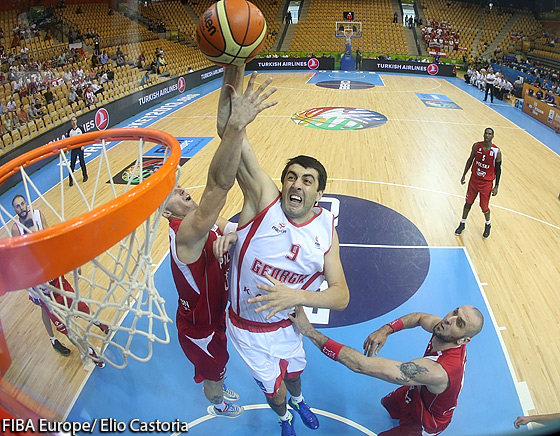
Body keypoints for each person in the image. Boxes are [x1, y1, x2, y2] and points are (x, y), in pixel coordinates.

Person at [213, 64, 350, 436]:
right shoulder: (263, 200)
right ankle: (284, 418)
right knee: (273, 392)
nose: (296, 184)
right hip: (247, 329)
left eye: (307, 180)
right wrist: (233, 71)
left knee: (294, 376)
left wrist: (297, 296)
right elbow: (228, 133)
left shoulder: (326, 228)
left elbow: (341, 296)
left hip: (289, 324)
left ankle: (300, 401)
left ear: (318, 194)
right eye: (291, 177)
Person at [162, 69, 277, 418]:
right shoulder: (187, 232)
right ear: (166, 212)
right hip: (201, 328)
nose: (183, 190)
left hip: (214, 315)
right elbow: (218, 185)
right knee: (215, 371)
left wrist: (233, 69)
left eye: (180, 187)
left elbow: (235, 227)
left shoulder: (202, 225)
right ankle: (217, 401)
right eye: (174, 194)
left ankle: (218, 382)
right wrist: (237, 125)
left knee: (220, 363)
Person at [289, 305, 484, 436]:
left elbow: (360, 365)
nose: (450, 319)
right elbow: (419, 317)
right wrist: (386, 329)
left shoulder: (437, 371)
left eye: (459, 323)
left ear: (464, 340)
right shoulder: (444, 330)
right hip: (416, 392)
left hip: (425, 421)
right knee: (387, 404)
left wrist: (309, 332)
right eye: (455, 312)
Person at [10, 195, 108, 367]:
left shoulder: (38, 216)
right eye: (17, 206)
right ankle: (78, 347)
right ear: (15, 210)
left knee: (79, 305)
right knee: (63, 325)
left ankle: (97, 322)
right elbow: (19, 261)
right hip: (41, 290)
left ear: (26, 204)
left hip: (56, 280)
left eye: (22, 204)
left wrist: (71, 263)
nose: (21, 207)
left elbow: (53, 242)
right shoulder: (17, 231)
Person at [455, 127, 502, 238]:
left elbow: (498, 170)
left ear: (493, 136)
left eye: (489, 134)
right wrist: (464, 174)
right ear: (483, 134)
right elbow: (470, 160)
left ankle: (488, 224)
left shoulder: (496, 151)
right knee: (468, 203)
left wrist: (496, 186)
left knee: (484, 207)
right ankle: (462, 223)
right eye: (486, 133)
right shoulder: (476, 146)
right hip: (474, 180)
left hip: (486, 183)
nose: (487, 135)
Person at [67, 116, 88, 186]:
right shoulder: (69, 131)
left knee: (82, 162)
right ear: (71, 122)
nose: (73, 122)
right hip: (74, 149)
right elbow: (67, 141)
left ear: (76, 121)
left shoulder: (80, 129)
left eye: (74, 120)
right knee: (72, 165)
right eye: (72, 120)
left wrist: (83, 145)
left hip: (80, 148)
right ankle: (70, 180)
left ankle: (85, 176)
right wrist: (67, 150)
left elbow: (85, 137)